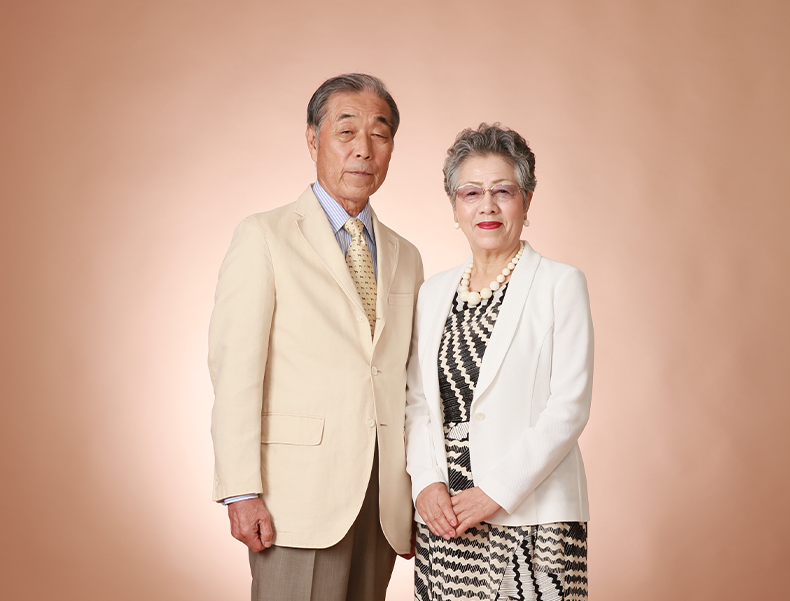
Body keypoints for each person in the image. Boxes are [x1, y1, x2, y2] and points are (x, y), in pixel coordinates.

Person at [208, 73, 423, 601]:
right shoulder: (264, 236)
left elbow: (409, 383)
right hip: (295, 498)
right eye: (346, 132)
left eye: (379, 134)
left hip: (382, 500)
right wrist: (240, 490)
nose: (363, 149)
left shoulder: (406, 255)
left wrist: (420, 488)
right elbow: (236, 372)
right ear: (313, 140)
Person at [405, 123, 593, 600]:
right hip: (447, 520)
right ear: (455, 207)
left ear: (526, 202)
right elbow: (418, 402)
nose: (486, 206)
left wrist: (494, 492)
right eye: (471, 193)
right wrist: (426, 484)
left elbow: (568, 407)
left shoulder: (560, 284)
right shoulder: (432, 293)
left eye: (502, 191)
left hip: (533, 519)